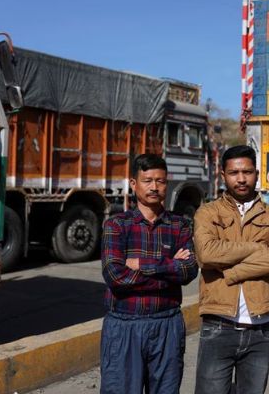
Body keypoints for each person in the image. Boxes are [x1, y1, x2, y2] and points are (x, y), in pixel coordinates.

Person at [193, 145, 269, 394]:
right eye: (234, 173)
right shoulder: (207, 212)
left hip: (261, 327)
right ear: (223, 175)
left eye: (247, 172)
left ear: (256, 174)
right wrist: (257, 247)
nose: (241, 179)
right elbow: (206, 253)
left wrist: (233, 271)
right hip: (219, 325)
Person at [100, 154, 198, 394]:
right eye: (147, 180)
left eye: (161, 181)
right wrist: (169, 267)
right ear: (134, 184)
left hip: (167, 325)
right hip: (124, 326)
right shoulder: (117, 225)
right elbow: (115, 277)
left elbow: (188, 270)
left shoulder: (180, 225)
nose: (154, 187)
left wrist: (142, 264)